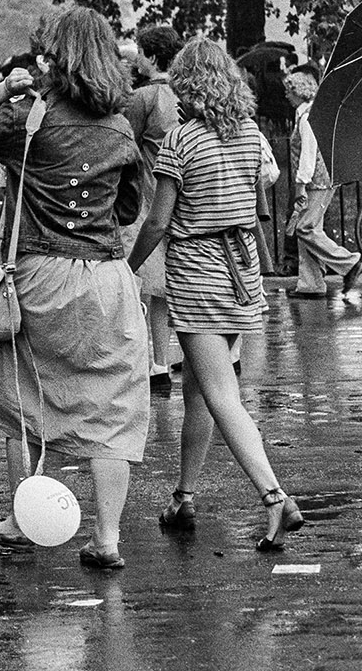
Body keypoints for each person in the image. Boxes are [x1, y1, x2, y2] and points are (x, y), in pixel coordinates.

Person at [0, 6, 147, 570]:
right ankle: (107, 538)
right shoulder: (119, 127)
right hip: (108, 280)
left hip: (44, 276)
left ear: (54, 58)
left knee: (25, 400)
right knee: (113, 406)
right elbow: (130, 205)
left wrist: (0, 90)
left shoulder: (31, 118)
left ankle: (21, 521)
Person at [129, 38, 303, 550]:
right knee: (200, 389)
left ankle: (275, 498)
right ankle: (184, 496)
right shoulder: (249, 133)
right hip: (241, 270)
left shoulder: (181, 141)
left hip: (199, 272)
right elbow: (260, 192)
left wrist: (127, 268)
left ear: (187, 85)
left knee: (222, 395)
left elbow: (158, 220)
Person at [123, 26, 181, 391]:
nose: (138, 60)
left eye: (142, 53)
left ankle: (155, 361)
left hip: (148, 195)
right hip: (186, 197)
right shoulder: (185, 94)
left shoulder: (142, 98)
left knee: (148, 287)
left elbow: (125, 146)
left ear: (152, 55)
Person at [283, 63, 359, 300]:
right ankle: (311, 284)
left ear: (299, 90)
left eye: (289, 88)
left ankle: (350, 261)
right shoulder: (309, 113)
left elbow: (308, 153)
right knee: (312, 229)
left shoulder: (307, 117)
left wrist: (300, 184)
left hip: (316, 181)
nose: (286, 93)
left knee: (304, 227)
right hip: (323, 179)